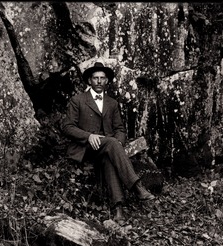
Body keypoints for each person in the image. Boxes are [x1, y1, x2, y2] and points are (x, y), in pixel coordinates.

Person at [61, 61, 155, 225]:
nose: (99, 81)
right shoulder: (78, 100)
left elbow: (120, 129)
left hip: (107, 149)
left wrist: (117, 142)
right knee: (111, 144)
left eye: (102, 78)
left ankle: (118, 210)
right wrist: (88, 136)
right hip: (85, 148)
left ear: (107, 81)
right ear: (89, 81)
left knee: (109, 158)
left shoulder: (112, 103)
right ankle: (137, 187)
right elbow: (67, 127)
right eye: (95, 78)